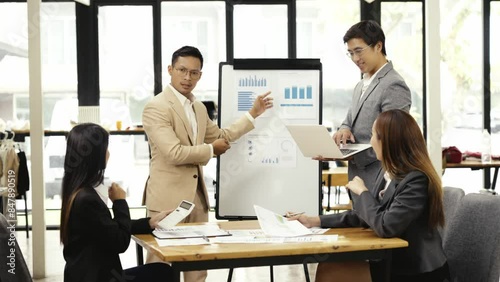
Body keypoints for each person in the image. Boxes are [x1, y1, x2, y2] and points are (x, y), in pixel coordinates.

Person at [142, 45, 273, 281]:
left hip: (197, 200)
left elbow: (222, 136)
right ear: (170, 70)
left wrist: (252, 114)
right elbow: (173, 152)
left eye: (194, 72)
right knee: (160, 270)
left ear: (200, 75)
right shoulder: (157, 107)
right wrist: (211, 150)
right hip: (166, 201)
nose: (187, 77)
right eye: (182, 70)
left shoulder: (199, 108)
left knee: (198, 269)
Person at [293, 109, 449, 282]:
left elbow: (385, 226)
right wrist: (313, 221)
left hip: (415, 271)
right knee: (329, 266)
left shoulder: (416, 180)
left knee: (330, 272)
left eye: (373, 135)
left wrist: (363, 192)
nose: (370, 141)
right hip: (393, 261)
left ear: (388, 142)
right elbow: (368, 215)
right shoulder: (390, 173)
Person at [60, 123, 174, 282]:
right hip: (100, 278)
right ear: (96, 155)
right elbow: (120, 242)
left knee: (161, 270)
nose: (108, 153)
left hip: (90, 275)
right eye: (105, 148)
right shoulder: (87, 199)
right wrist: (120, 202)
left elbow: (106, 228)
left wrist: (148, 223)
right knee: (163, 272)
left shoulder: (76, 191)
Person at [326, 20, 412, 187]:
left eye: (359, 51)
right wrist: (344, 129)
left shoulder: (393, 85)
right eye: (350, 53)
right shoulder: (361, 85)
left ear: (378, 46)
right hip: (358, 178)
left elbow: (392, 142)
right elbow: (349, 120)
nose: (355, 59)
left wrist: (349, 155)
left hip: (379, 180)